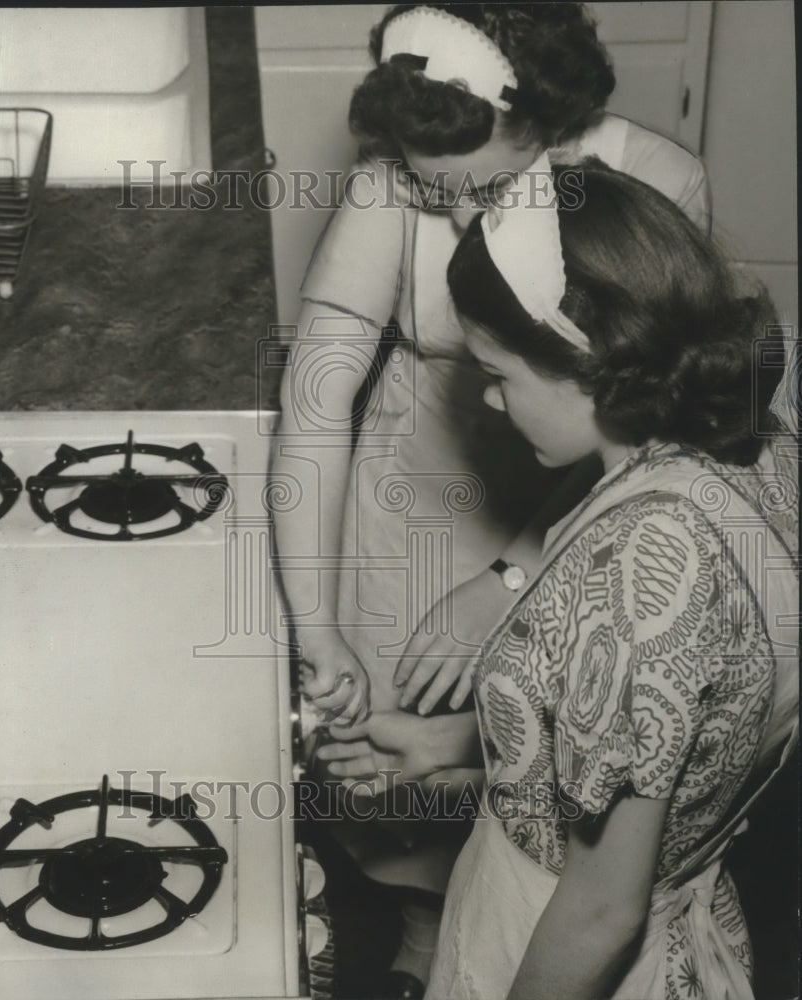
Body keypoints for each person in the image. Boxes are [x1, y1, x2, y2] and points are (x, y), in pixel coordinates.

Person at [272, 4, 710, 994]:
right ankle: (431, 933)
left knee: (553, 768)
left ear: (548, 128)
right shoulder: (399, 171)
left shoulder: (655, 181)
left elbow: (656, 436)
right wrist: (315, 621)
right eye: (439, 195)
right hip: (417, 474)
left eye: (494, 190)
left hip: (572, 492)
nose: (464, 219)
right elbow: (314, 398)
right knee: (392, 750)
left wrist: (510, 577)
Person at [413, 157, 798, 1000]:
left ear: (589, 361)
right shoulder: (755, 442)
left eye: (498, 374)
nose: (487, 401)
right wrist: (450, 746)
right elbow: (674, 740)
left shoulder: (637, 577)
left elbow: (600, 911)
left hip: (558, 945)